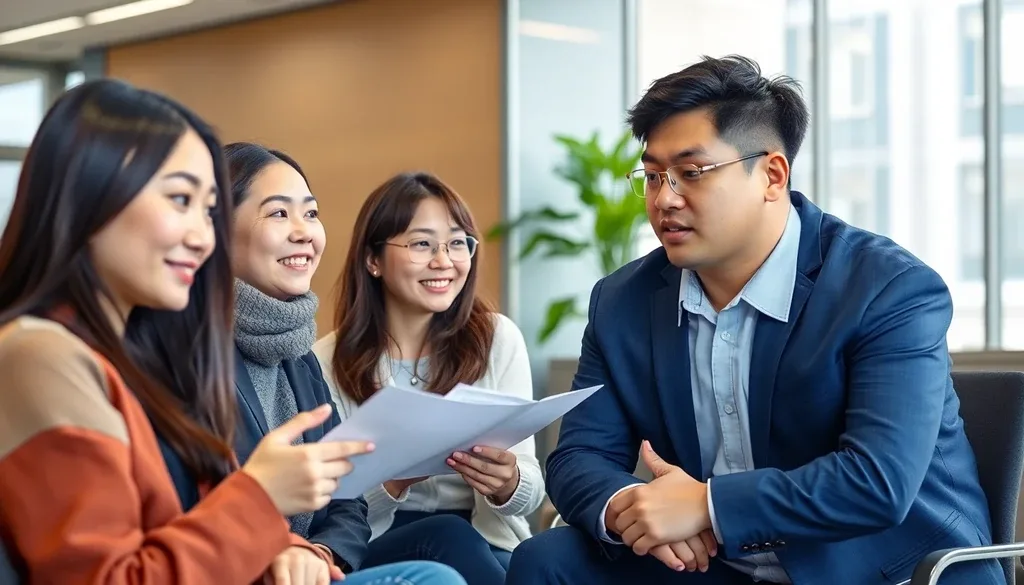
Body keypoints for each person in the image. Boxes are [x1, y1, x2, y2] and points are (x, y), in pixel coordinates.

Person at [505, 55, 1003, 585]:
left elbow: (876, 482)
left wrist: (706, 505)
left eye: (690, 174)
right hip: (715, 563)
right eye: (652, 176)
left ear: (771, 174)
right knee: (547, 561)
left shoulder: (887, 288)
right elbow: (579, 455)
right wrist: (634, 503)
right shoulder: (623, 300)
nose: (663, 199)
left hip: (883, 568)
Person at [0, 79, 465, 585]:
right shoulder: (44, 354)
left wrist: (297, 546)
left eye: (208, 211)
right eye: (180, 200)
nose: (203, 237)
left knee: (434, 562)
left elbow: (211, 502)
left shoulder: (148, 350)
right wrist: (264, 503)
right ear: (91, 198)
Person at [313, 172, 545, 585]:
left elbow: (529, 497)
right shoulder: (325, 361)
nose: (444, 260)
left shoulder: (497, 339)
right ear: (373, 259)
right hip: (375, 544)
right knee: (447, 536)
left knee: (537, 562)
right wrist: (394, 480)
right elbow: (327, 509)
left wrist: (507, 482)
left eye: (457, 243)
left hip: (485, 540)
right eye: (422, 244)